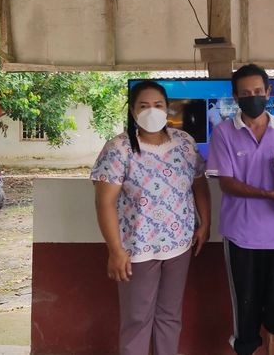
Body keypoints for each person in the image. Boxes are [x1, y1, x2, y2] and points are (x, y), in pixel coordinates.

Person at [91, 80, 211, 355]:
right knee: (137, 320)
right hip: (138, 249)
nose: (152, 111)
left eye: (158, 105)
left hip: (179, 244)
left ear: (167, 108)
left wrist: (205, 223)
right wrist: (115, 250)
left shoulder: (184, 143)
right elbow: (104, 202)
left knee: (170, 317)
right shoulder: (118, 148)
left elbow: (199, 184)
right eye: (144, 106)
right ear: (132, 111)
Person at [207, 64, 274, 355]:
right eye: (246, 93)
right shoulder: (223, 132)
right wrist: (269, 194)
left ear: (268, 92)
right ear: (235, 97)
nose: (253, 97)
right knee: (245, 312)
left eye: (258, 91)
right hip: (242, 234)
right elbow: (227, 183)